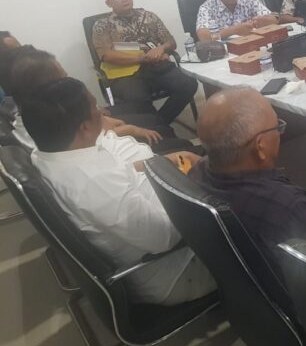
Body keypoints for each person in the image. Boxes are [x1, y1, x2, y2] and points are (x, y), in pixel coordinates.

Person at [20, 77, 215, 305]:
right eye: (95, 107)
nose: (102, 111)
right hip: (178, 267)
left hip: (164, 214)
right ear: (84, 127)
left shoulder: (49, 154)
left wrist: (163, 164)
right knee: (246, 205)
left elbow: (121, 174)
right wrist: (198, 190)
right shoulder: (94, 185)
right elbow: (165, 238)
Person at [189, 87, 306, 261]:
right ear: (260, 147)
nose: (279, 133)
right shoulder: (291, 208)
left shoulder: (199, 172)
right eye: (277, 127)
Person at [8, 47, 194, 154]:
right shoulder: (49, 120)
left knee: (156, 122)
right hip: (121, 152)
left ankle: (167, 137)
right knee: (183, 145)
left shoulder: (38, 111)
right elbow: (92, 140)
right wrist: (128, 129)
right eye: (63, 77)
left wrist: (105, 119)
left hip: (114, 143)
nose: (68, 79)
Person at [92, 0, 198, 125]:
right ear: (108, 3)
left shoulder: (148, 16)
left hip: (157, 66)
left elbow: (171, 42)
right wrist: (143, 59)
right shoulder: (102, 25)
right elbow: (107, 56)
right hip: (126, 74)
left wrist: (161, 49)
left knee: (188, 84)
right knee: (139, 102)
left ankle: (158, 124)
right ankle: (156, 127)